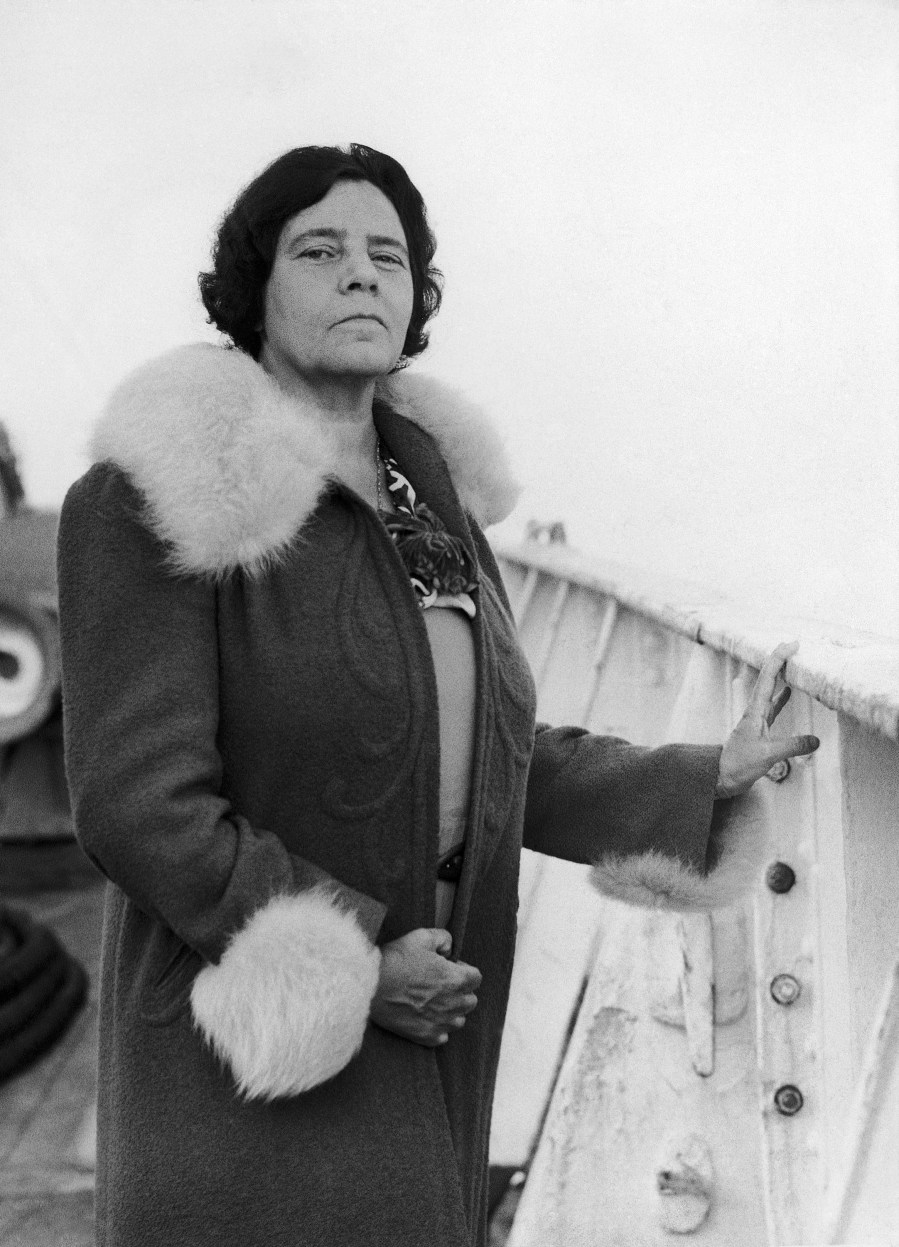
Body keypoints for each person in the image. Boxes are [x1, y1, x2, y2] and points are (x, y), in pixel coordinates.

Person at [57, 144, 818, 1247]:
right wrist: (359, 967)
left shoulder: (427, 502)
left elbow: (487, 752)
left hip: (435, 1007)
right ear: (251, 287)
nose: (361, 275)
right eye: (319, 251)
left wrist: (697, 777)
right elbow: (137, 802)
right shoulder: (154, 497)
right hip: (256, 1040)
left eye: (388, 254)